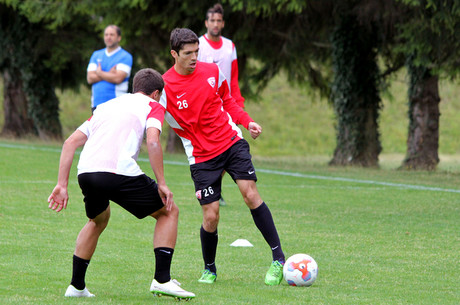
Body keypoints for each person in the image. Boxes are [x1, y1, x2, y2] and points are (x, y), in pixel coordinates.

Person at [47, 68, 195, 300]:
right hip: (118, 172)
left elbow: (70, 143)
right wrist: (162, 183)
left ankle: (76, 287)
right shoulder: (153, 106)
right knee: (169, 211)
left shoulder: (105, 106)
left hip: (86, 172)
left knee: (98, 219)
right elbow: (154, 142)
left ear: (135, 88)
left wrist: (61, 185)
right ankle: (162, 279)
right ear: (156, 94)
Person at [160, 28, 285, 286]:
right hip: (201, 156)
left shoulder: (212, 72)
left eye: (197, 51)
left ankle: (279, 259)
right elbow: (151, 117)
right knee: (211, 216)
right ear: (174, 54)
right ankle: (210, 269)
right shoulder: (165, 88)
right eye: (188, 53)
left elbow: (228, 102)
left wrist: (247, 122)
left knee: (250, 193)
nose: (194, 57)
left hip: (230, 142)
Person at [197, 3, 246, 206]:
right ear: (207, 23)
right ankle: (209, 187)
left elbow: (233, 79)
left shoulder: (229, 46)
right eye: (212, 21)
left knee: (229, 145)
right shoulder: (198, 45)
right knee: (209, 149)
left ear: (223, 23)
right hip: (204, 105)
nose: (215, 24)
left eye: (219, 21)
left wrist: (238, 104)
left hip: (225, 104)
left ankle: (215, 185)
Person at [87, 25, 133, 111]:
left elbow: (118, 78)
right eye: (106, 34)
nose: (108, 37)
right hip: (96, 104)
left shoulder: (125, 56)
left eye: (112, 35)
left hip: (116, 104)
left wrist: (100, 73)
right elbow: (90, 78)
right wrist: (109, 74)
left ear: (119, 38)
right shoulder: (96, 55)